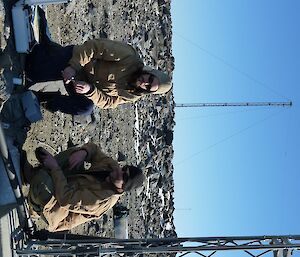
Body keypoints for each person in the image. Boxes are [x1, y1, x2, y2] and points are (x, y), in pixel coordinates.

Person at [25, 37, 172, 115]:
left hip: (81, 84)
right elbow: (95, 47)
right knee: (31, 66)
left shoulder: (132, 95)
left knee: (85, 108)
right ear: (151, 72)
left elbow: (108, 102)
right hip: (76, 61)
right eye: (150, 79)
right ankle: (50, 50)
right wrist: (73, 66)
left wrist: (90, 91)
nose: (144, 83)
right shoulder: (129, 57)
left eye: (148, 87)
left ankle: (46, 101)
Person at [23, 142, 145, 232]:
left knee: (42, 183)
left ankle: (34, 208)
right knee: (75, 154)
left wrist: (54, 167)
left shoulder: (101, 200)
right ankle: (32, 176)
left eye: (124, 176)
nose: (120, 171)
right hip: (70, 184)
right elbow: (94, 150)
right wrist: (84, 153)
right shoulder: (112, 168)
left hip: (57, 210)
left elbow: (65, 199)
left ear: (122, 187)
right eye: (124, 169)